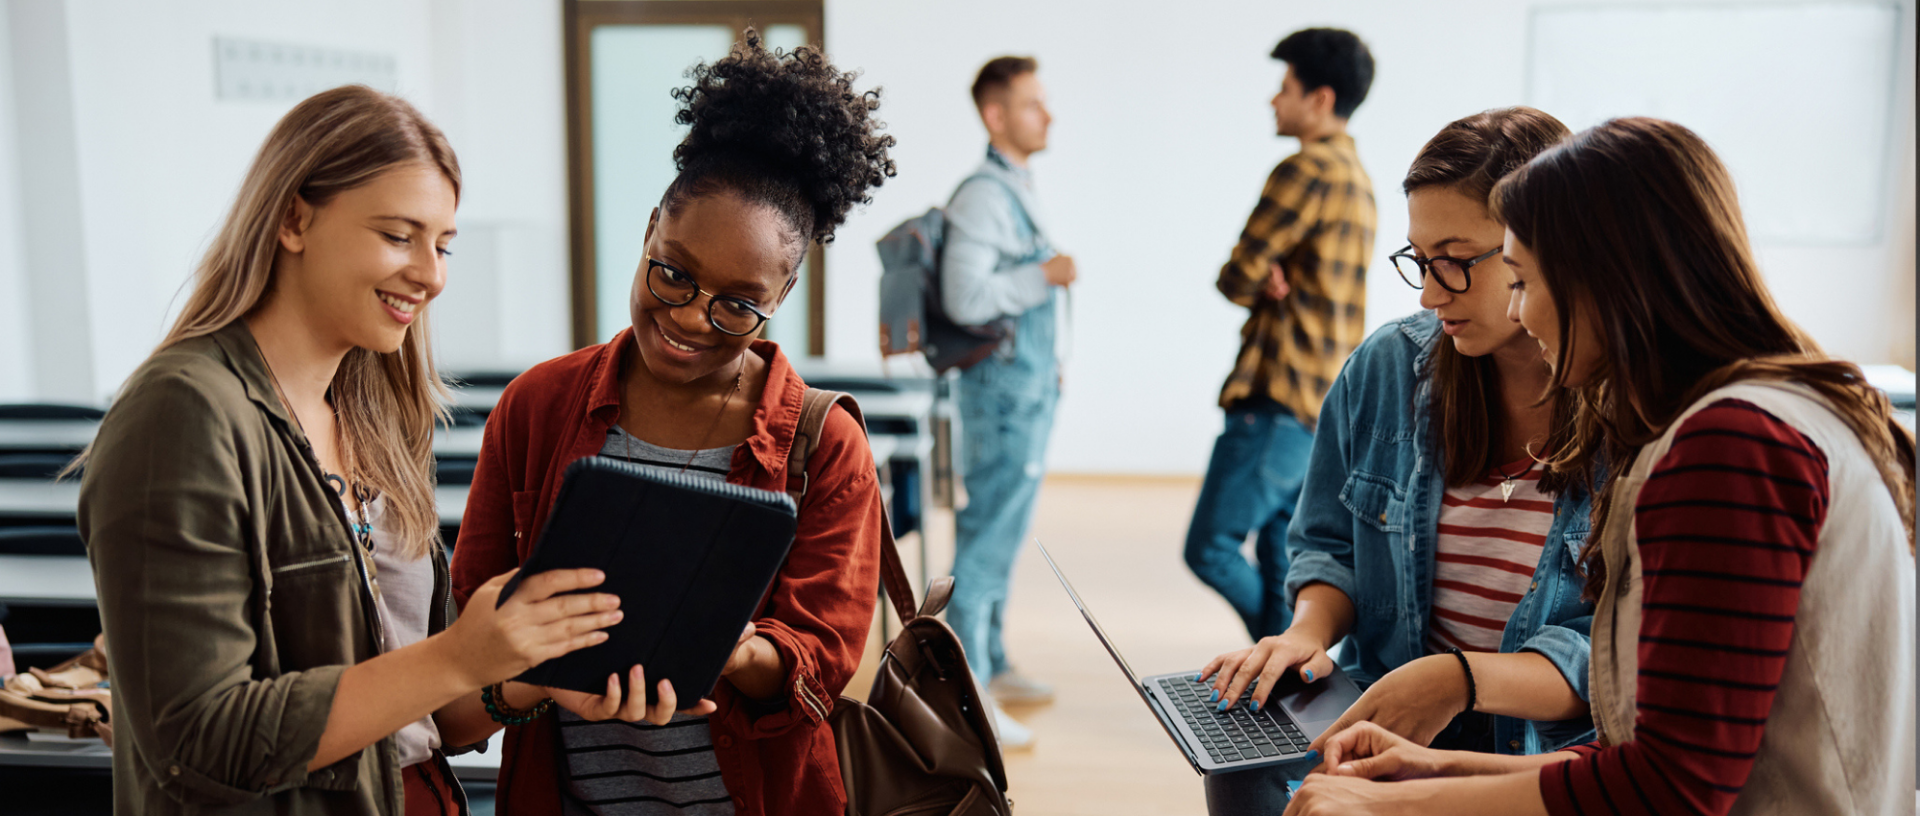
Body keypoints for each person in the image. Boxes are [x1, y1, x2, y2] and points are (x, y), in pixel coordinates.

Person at [1284, 117, 1916, 816]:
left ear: (1600, 279)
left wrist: (1392, 806)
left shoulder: (1730, 446)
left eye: (1522, 280)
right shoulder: (1767, 413)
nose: (1523, 315)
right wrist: (1437, 768)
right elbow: (1661, 750)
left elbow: (1673, 787)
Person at [77, 86, 624, 815]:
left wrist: (530, 671)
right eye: (400, 236)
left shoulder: (375, 420)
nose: (431, 275)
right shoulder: (182, 413)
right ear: (294, 218)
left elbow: (428, 712)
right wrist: (458, 654)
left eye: (443, 244)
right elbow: (196, 743)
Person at [448, 31, 895, 816]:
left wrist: (736, 649)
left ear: (782, 296)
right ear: (652, 225)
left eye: (738, 303)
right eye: (673, 273)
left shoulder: (824, 445)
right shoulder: (536, 407)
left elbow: (823, 660)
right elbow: (468, 626)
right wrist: (538, 661)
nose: (689, 318)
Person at [1198, 107, 1597, 814]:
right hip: (1386, 720)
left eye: (1457, 260)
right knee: (1235, 764)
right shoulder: (1389, 366)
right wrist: (1305, 635)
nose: (1429, 292)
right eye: (1419, 258)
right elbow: (1326, 544)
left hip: (1538, 749)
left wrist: (1457, 680)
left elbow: (1620, 656)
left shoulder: (1626, 407)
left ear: (1542, 248)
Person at [1184, 27, 1377, 641]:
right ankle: (1282, 701)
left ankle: (1279, 671)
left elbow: (1237, 276)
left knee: (1210, 546)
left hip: (1276, 398)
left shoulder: (1306, 170)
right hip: (1320, 407)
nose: (1274, 100)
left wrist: (1257, 276)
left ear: (1320, 99)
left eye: (1284, 88)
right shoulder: (1359, 178)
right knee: (1279, 562)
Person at [939, 54, 1074, 745]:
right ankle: (967, 699)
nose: (1046, 114)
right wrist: (1041, 276)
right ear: (996, 116)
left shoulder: (1015, 185)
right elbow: (964, 298)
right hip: (1000, 399)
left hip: (1022, 394)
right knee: (987, 539)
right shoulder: (984, 195)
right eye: (1031, 104)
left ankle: (991, 660)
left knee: (1005, 532)